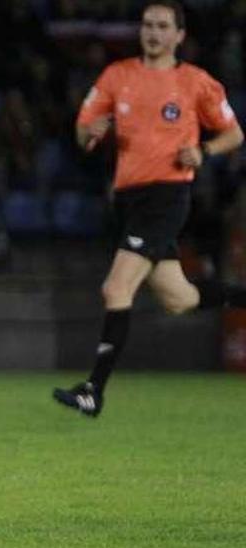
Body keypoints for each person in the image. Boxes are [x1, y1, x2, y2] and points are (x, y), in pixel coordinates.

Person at [55, 0, 243, 417]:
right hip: (129, 200)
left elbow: (233, 134)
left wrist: (204, 150)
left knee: (115, 289)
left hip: (167, 196)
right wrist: (92, 132)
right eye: (147, 25)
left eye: (162, 26)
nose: (153, 32)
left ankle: (93, 391)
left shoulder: (196, 82)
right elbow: (83, 129)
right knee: (180, 298)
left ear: (179, 35)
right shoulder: (117, 75)